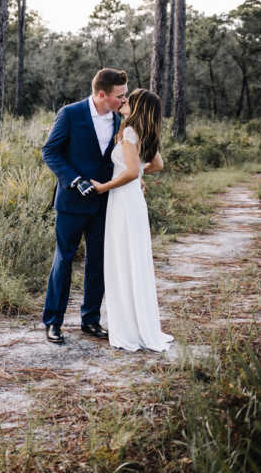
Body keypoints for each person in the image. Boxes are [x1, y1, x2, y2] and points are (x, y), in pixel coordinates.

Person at [41, 68, 128, 344]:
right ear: (101, 94)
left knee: (98, 263)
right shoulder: (70, 114)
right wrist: (74, 180)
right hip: (71, 202)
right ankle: (53, 322)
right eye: (119, 96)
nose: (124, 100)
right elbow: (50, 151)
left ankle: (90, 320)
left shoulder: (119, 119)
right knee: (64, 260)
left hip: (104, 203)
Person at [91, 89, 173, 352]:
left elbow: (128, 172)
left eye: (129, 99)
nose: (124, 101)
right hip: (132, 202)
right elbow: (156, 164)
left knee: (123, 259)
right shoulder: (144, 132)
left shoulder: (129, 132)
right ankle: (138, 324)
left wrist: (104, 187)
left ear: (137, 107)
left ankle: (129, 329)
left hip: (123, 201)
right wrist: (139, 175)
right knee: (132, 258)